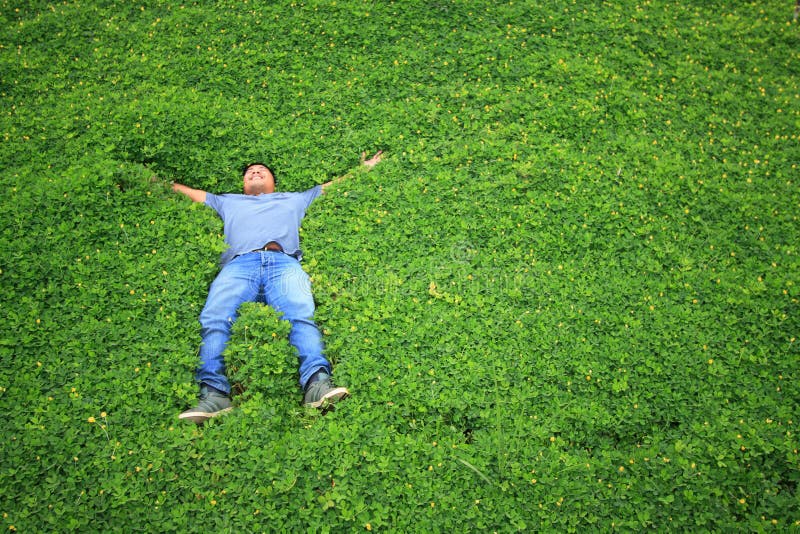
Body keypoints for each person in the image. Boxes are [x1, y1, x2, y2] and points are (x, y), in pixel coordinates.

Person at [172, 150, 383, 423]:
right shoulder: (227, 202)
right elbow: (190, 192)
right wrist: (154, 181)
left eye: (261, 169)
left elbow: (332, 187)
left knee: (299, 316)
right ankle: (214, 395)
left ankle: (317, 385)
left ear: (273, 180)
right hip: (238, 265)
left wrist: (364, 168)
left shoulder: (295, 198)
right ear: (243, 183)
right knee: (214, 317)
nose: (255, 172)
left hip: (283, 262)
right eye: (249, 171)